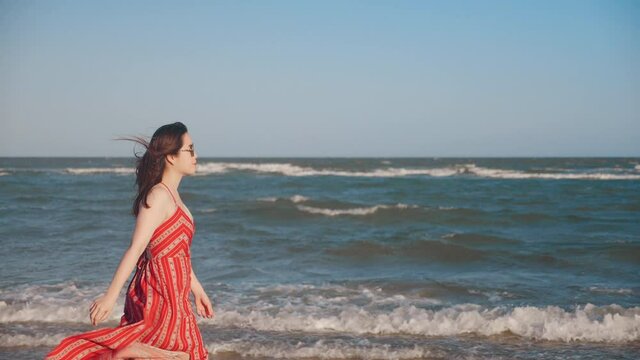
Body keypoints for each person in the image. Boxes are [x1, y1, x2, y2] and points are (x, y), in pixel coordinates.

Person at [46, 122, 213, 359]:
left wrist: (197, 290)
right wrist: (110, 297)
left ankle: (134, 351)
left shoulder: (178, 200)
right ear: (171, 157)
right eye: (190, 150)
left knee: (189, 352)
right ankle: (130, 350)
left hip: (177, 289)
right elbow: (136, 249)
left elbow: (179, 253)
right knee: (187, 354)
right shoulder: (158, 196)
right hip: (159, 289)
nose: (196, 156)